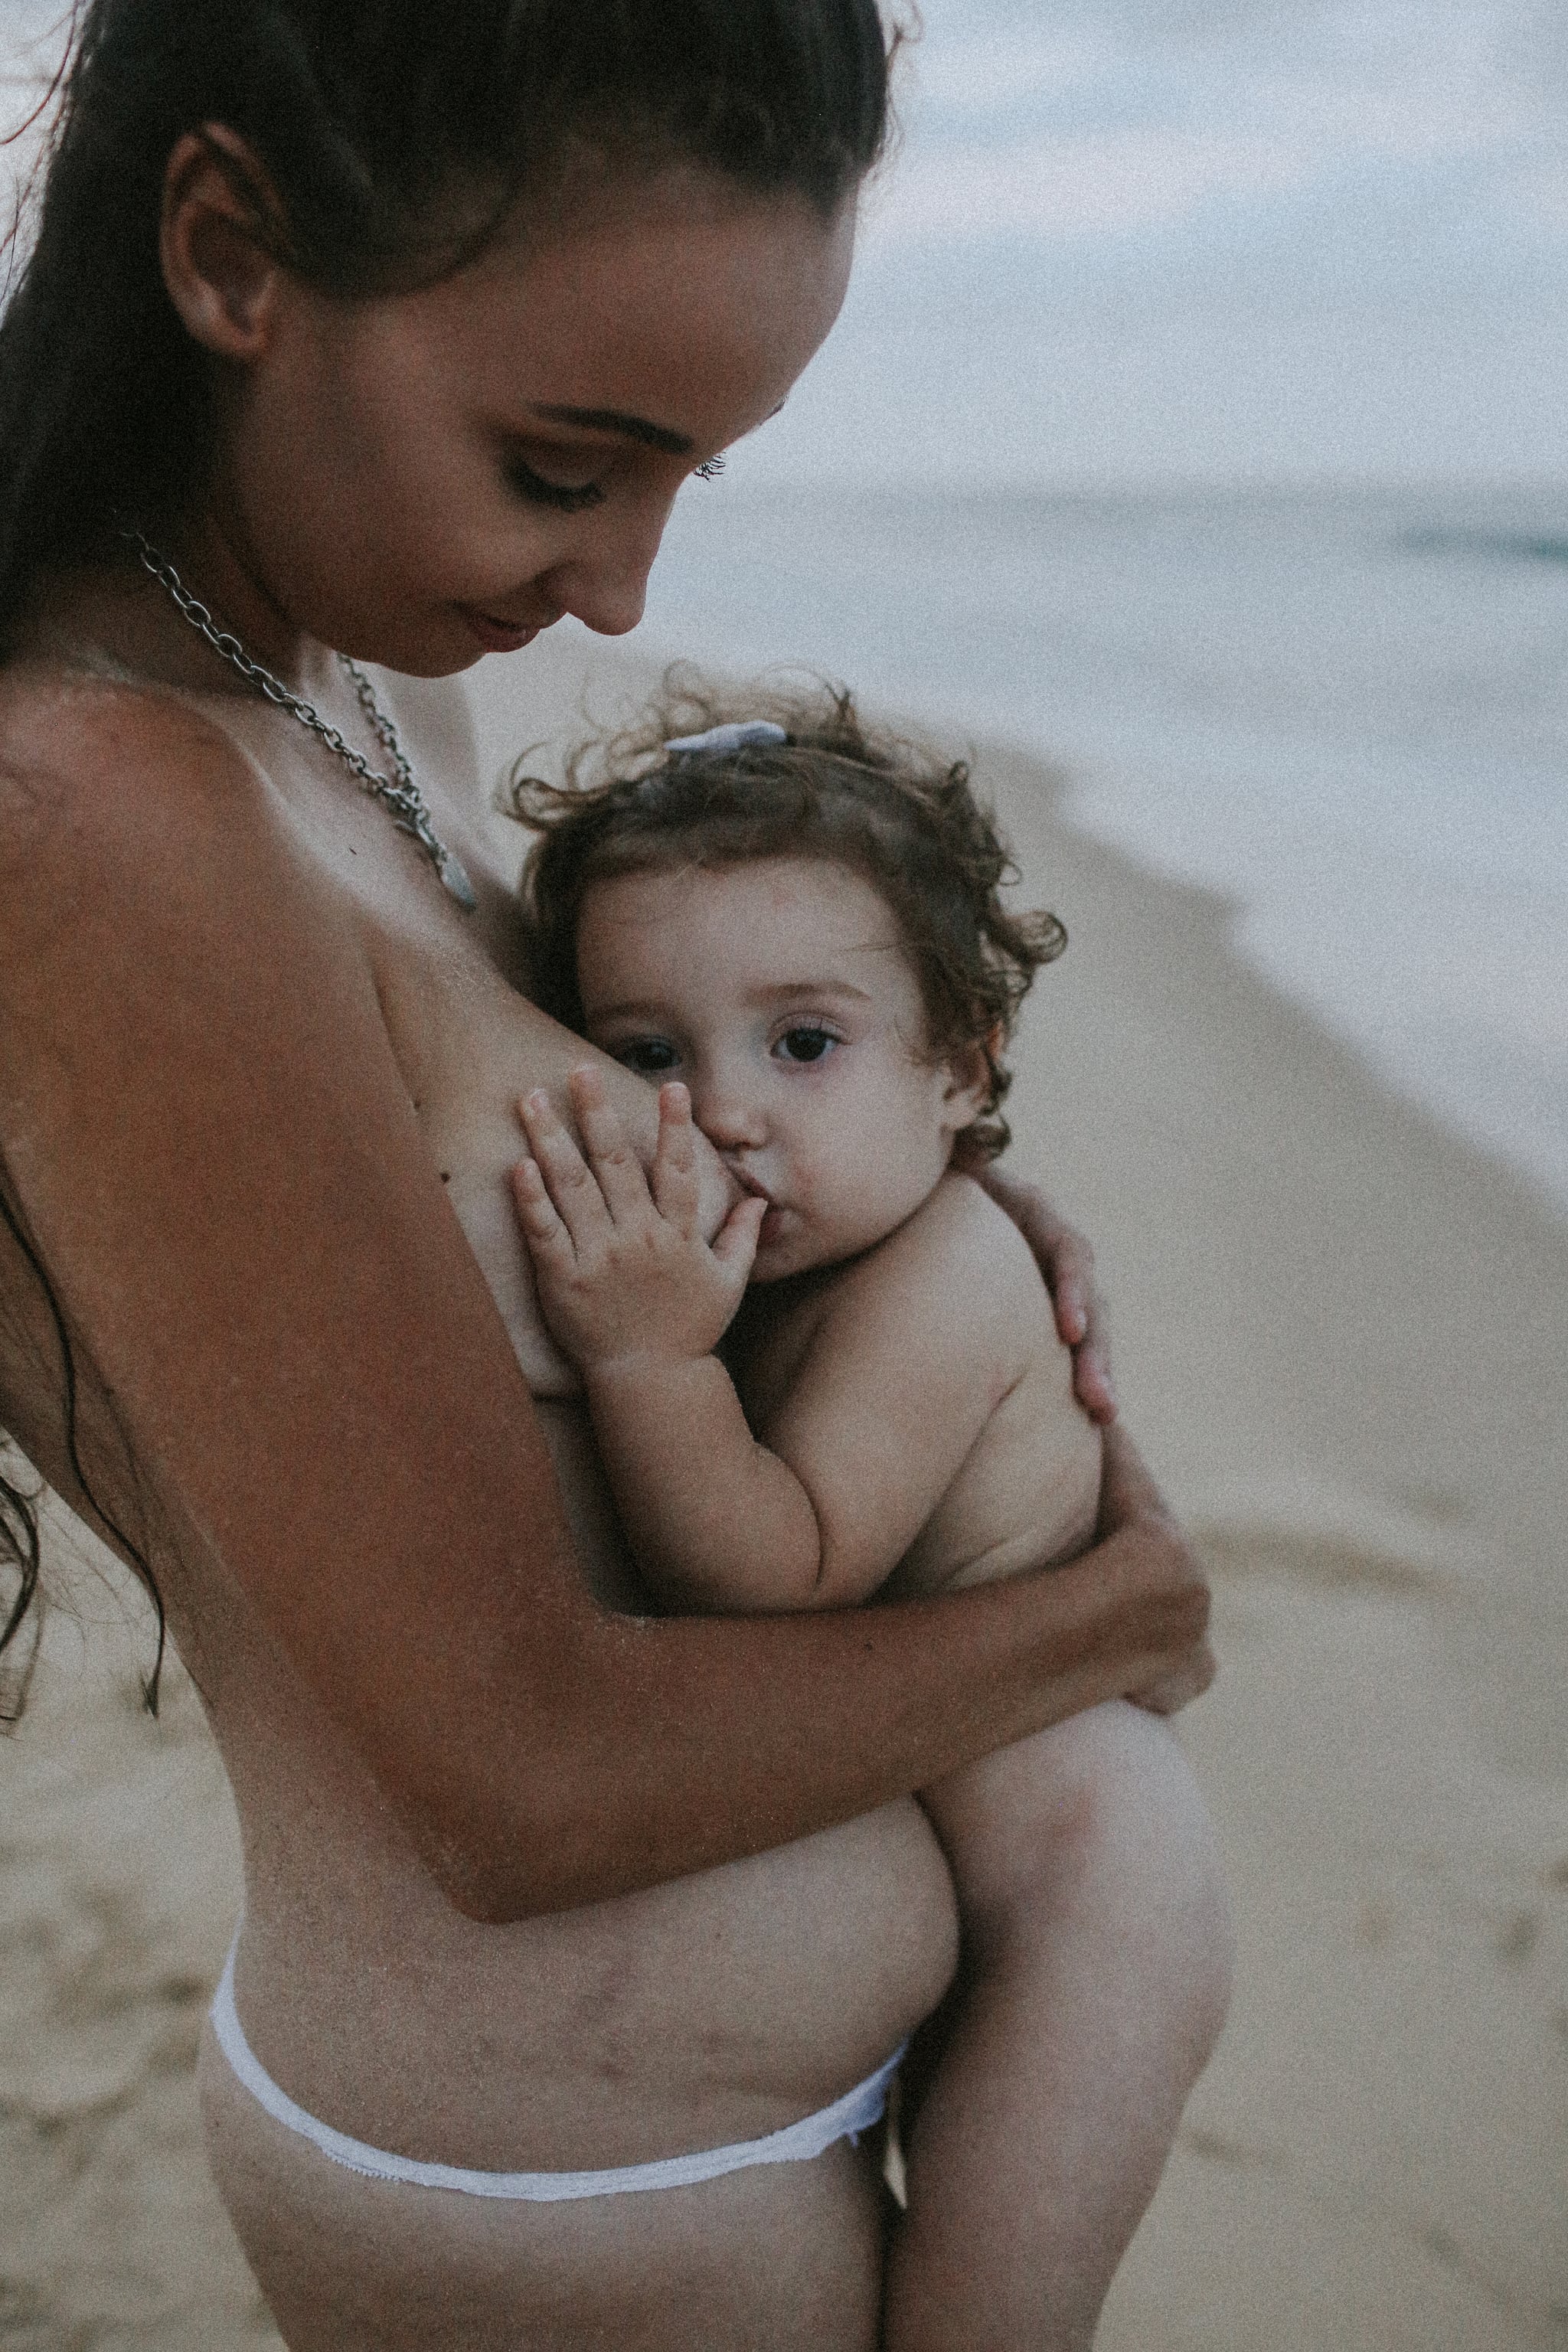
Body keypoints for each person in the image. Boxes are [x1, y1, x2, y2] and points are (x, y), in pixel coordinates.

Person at [0, 5, 1217, 2346]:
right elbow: (509, 1782)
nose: (626, 590)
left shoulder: (369, 691)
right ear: (231, 250)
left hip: (715, 2118)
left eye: (684, 480)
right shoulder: (96, 816)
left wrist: (933, 1246)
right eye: (563, 464)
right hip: (569, 2183)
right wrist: (1114, 1618)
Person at [505, 684, 1233, 2350]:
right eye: (648, 1054)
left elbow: (782, 1573)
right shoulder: (797, 1247)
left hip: (1085, 1901)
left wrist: (645, 1361)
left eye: (804, 1043)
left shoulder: (946, 1277)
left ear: (960, 1066)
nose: (725, 1110)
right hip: (953, 1845)